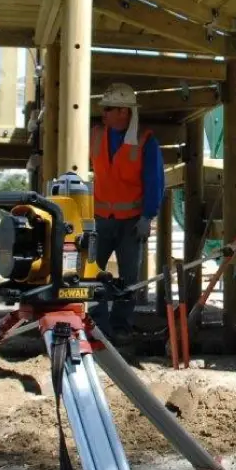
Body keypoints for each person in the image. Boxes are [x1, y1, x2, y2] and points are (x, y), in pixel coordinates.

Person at [89, 83, 164, 341]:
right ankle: (96, 326)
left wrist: (147, 217)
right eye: (111, 110)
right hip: (100, 220)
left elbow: (155, 181)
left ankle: (121, 326)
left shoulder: (146, 142)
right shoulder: (95, 135)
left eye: (125, 110)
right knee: (90, 273)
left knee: (129, 278)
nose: (105, 114)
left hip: (132, 223)